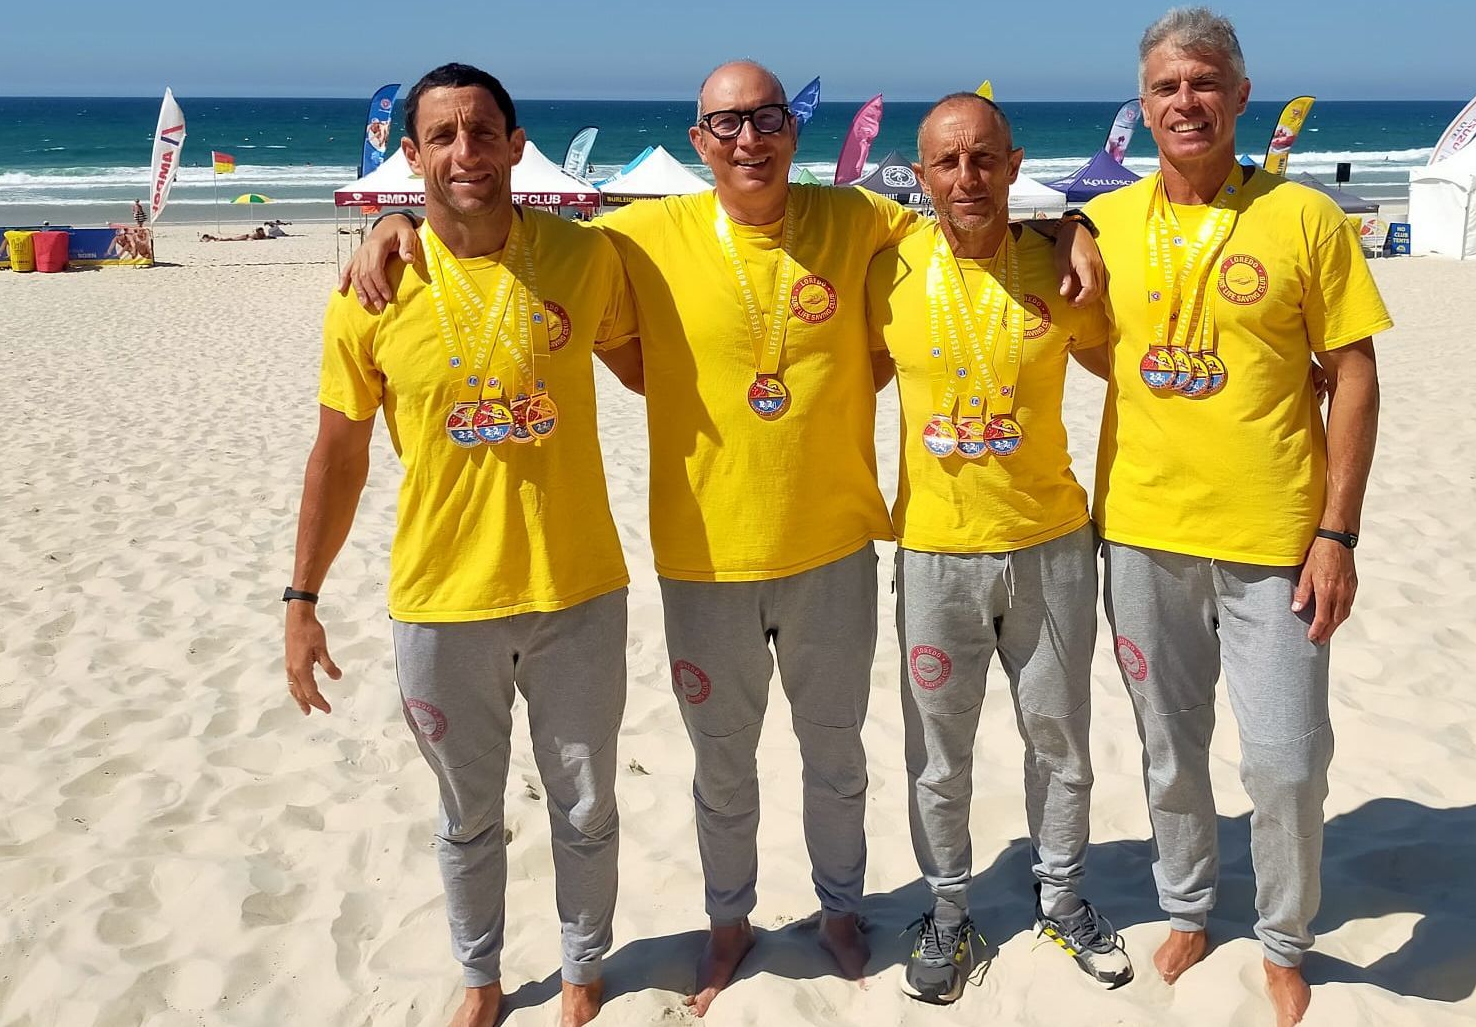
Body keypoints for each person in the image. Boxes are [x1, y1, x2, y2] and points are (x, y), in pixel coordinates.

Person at [338, 60, 1106, 1016]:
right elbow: (503, 238)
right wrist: (392, 222)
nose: (750, 138)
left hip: (833, 551)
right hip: (702, 557)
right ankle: (729, 922)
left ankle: (838, 910)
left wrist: (1077, 222)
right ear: (700, 141)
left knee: (837, 757)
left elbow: (971, 214)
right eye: (728, 122)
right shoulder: (639, 234)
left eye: (768, 118)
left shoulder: (861, 218)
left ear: (794, 132)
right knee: (721, 764)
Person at [283, 63, 635, 1027]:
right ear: (412, 154)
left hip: (577, 590)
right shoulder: (371, 288)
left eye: (483, 132)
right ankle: (480, 977)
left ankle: (581, 967)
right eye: (442, 136)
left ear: (517, 144)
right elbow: (338, 452)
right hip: (440, 603)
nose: (465, 153)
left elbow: (667, 353)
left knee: (586, 807)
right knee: (467, 816)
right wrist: (300, 601)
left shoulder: (587, 257)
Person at [1086, 6, 1390, 1027]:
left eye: (1203, 82)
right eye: (1166, 87)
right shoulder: (1105, 223)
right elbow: (1099, 345)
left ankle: (1282, 937)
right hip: (1138, 533)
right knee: (1168, 747)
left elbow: (1352, 373)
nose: (1185, 101)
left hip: (1276, 539)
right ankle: (1184, 905)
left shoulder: (1302, 217)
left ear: (1238, 96)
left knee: (1284, 759)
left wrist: (1337, 533)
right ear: (1142, 104)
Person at [867, 93, 1130, 1004]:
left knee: (1059, 738)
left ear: (1013, 165)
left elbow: (1133, 356)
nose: (967, 178)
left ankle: (1061, 896)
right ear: (922, 173)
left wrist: (1080, 223)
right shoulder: (885, 267)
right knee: (938, 754)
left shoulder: (1056, 265)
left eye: (984, 159)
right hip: (934, 551)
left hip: (1051, 544)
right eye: (948, 162)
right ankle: (947, 910)